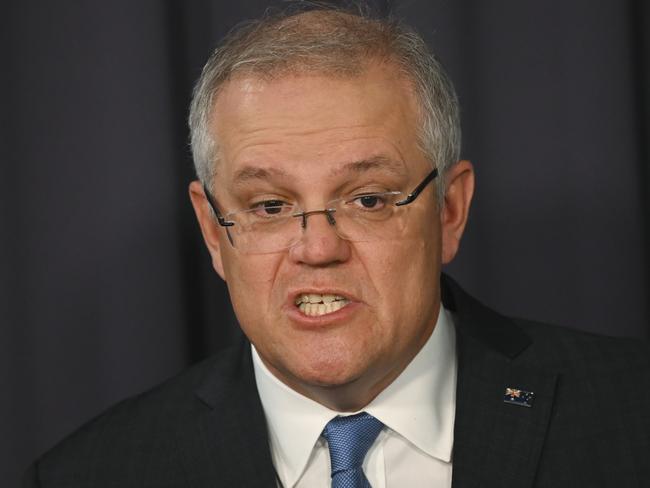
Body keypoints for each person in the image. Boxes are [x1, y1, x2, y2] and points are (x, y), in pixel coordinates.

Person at [25, 6, 650, 488]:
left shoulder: (630, 414)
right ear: (214, 231)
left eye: (368, 199)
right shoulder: (91, 473)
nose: (318, 249)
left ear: (449, 211)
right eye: (270, 207)